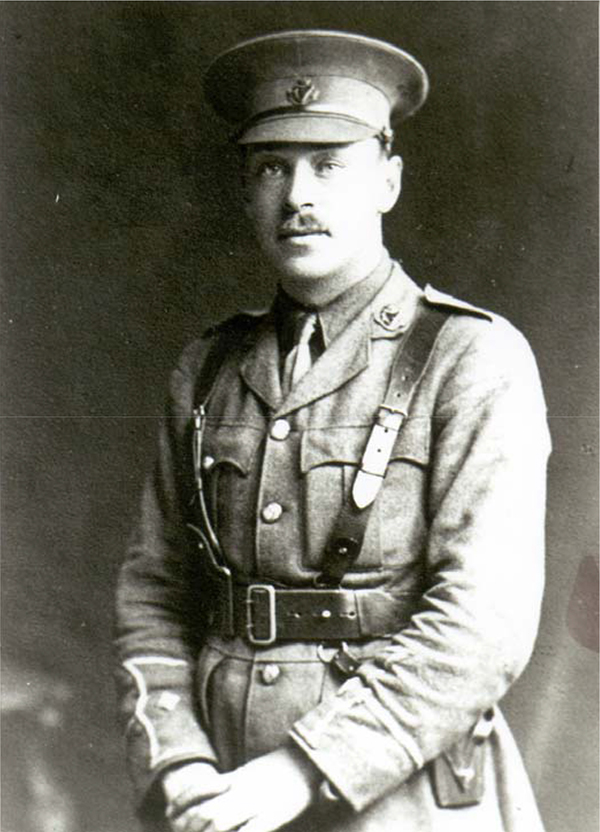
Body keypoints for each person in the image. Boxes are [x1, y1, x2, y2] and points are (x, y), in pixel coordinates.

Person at [115, 30, 551, 832]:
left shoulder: (470, 359)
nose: (298, 196)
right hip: (220, 794)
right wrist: (176, 762)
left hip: (401, 797)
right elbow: (154, 593)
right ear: (246, 192)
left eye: (329, 163)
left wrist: (304, 769)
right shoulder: (208, 370)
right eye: (272, 167)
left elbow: (482, 625)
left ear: (387, 180)